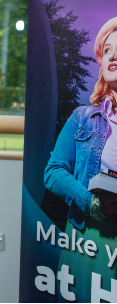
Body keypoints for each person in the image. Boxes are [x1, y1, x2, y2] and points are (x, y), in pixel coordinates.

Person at [44, 17, 117, 302]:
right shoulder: (82, 117)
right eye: (108, 50)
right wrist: (91, 202)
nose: (114, 56)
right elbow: (53, 172)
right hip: (87, 237)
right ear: (101, 62)